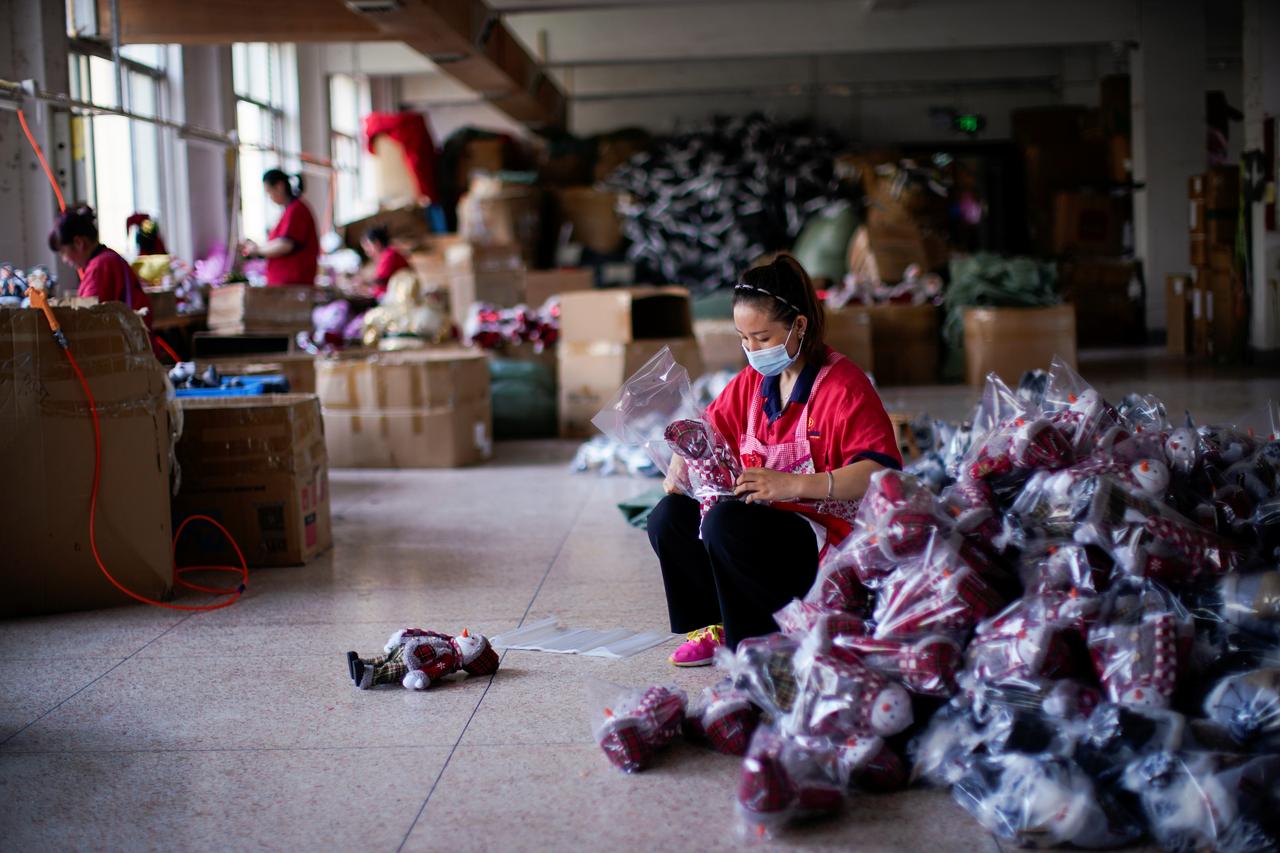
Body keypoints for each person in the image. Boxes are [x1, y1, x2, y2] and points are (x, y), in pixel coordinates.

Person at [646, 254, 902, 667]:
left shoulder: (844, 387)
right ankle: (714, 625)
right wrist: (682, 458)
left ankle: (761, 642)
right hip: (768, 522)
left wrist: (794, 485)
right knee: (669, 516)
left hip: (827, 541)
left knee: (724, 524)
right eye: (743, 338)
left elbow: (881, 472)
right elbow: (709, 428)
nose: (751, 349)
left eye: (762, 338)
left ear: (799, 325)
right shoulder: (754, 382)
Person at [48, 205, 152, 325]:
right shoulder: (109, 257)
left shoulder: (100, 267)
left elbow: (85, 318)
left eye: (63, 253)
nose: (64, 259)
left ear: (78, 243)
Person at [241, 168, 319, 286]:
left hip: (294, 283)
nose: (270, 197)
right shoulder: (288, 211)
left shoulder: (297, 210)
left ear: (279, 186)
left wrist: (258, 250)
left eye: (269, 192)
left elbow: (285, 245)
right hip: (285, 283)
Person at [361, 225, 409, 299]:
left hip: (398, 296)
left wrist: (363, 282)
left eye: (368, 246)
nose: (367, 251)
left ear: (377, 243)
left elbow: (381, 280)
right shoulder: (383, 256)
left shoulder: (390, 255)